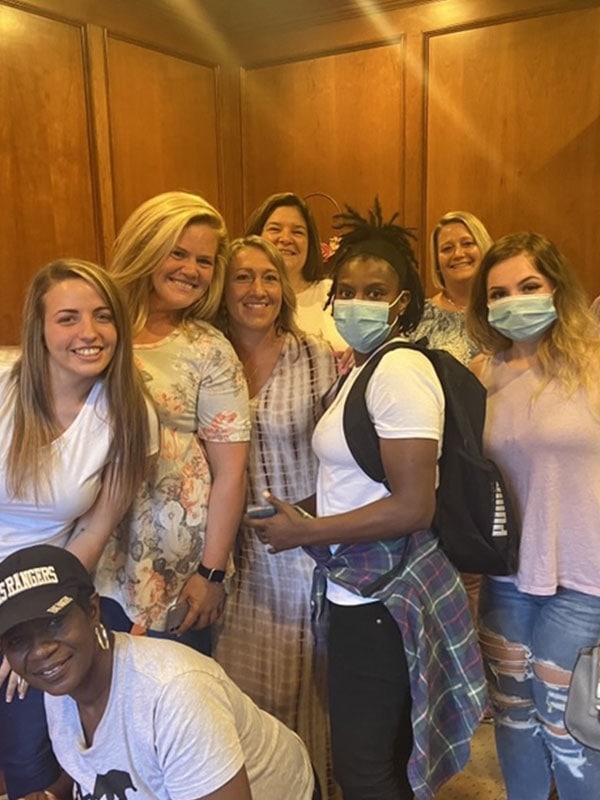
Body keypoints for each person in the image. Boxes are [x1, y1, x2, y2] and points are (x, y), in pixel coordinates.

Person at [246, 201, 487, 800]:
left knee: (364, 766)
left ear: (402, 300)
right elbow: (361, 476)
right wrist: (301, 506)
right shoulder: (363, 367)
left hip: (383, 596)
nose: (356, 302)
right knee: (383, 757)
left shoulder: (399, 370)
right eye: (346, 290)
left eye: (374, 291)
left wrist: (305, 533)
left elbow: (412, 506)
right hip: (360, 587)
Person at [0, 259, 157, 799]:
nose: (89, 334)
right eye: (68, 318)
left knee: (26, 747)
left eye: (102, 317)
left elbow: (93, 533)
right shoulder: (2, 387)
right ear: (38, 328)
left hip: (37, 591)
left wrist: (24, 627)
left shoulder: (129, 412)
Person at [0, 544, 318, 800]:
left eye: (56, 621)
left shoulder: (175, 693)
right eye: (18, 640)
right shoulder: (59, 686)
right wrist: (52, 795)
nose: (41, 650)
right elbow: (104, 761)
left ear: (92, 611)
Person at [467, 231, 600, 799]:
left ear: (556, 289)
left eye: (528, 286)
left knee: (572, 731)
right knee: (515, 722)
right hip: (507, 578)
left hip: (584, 579)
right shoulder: (480, 373)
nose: (512, 301)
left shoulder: (594, 365)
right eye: (498, 293)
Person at [94, 191, 251, 655]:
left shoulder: (208, 348)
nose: (192, 270)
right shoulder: (96, 327)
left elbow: (231, 472)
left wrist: (211, 572)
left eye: (204, 260)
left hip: (173, 559)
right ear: (146, 246)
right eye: (177, 252)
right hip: (89, 543)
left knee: (169, 703)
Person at [212, 236, 337, 797]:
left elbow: (341, 451)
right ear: (223, 287)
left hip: (301, 545)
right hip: (228, 551)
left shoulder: (313, 355)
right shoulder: (205, 353)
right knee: (241, 690)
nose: (256, 290)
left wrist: (313, 521)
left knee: (307, 685)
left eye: (268, 277)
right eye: (242, 277)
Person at [245, 192, 347, 351]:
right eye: (275, 229)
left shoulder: (335, 294)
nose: (285, 239)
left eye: (297, 232)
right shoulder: (242, 298)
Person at [411, 210, 492, 365]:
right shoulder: (418, 316)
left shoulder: (504, 309)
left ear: (484, 248)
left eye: (467, 244)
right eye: (447, 248)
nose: (458, 254)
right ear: (437, 261)